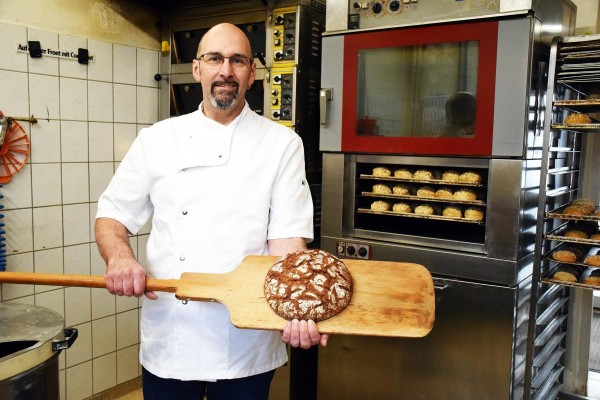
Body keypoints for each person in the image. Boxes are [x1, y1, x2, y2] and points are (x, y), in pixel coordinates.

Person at [94, 23, 327, 400]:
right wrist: (120, 259)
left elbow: (286, 240)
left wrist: (296, 303)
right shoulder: (156, 139)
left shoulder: (281, 144)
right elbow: (112, 214)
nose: (225, 71)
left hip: (246, 335)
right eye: (214, 58)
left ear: (252, 73)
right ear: (196, 69)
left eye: (237, 60)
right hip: (171, 331)